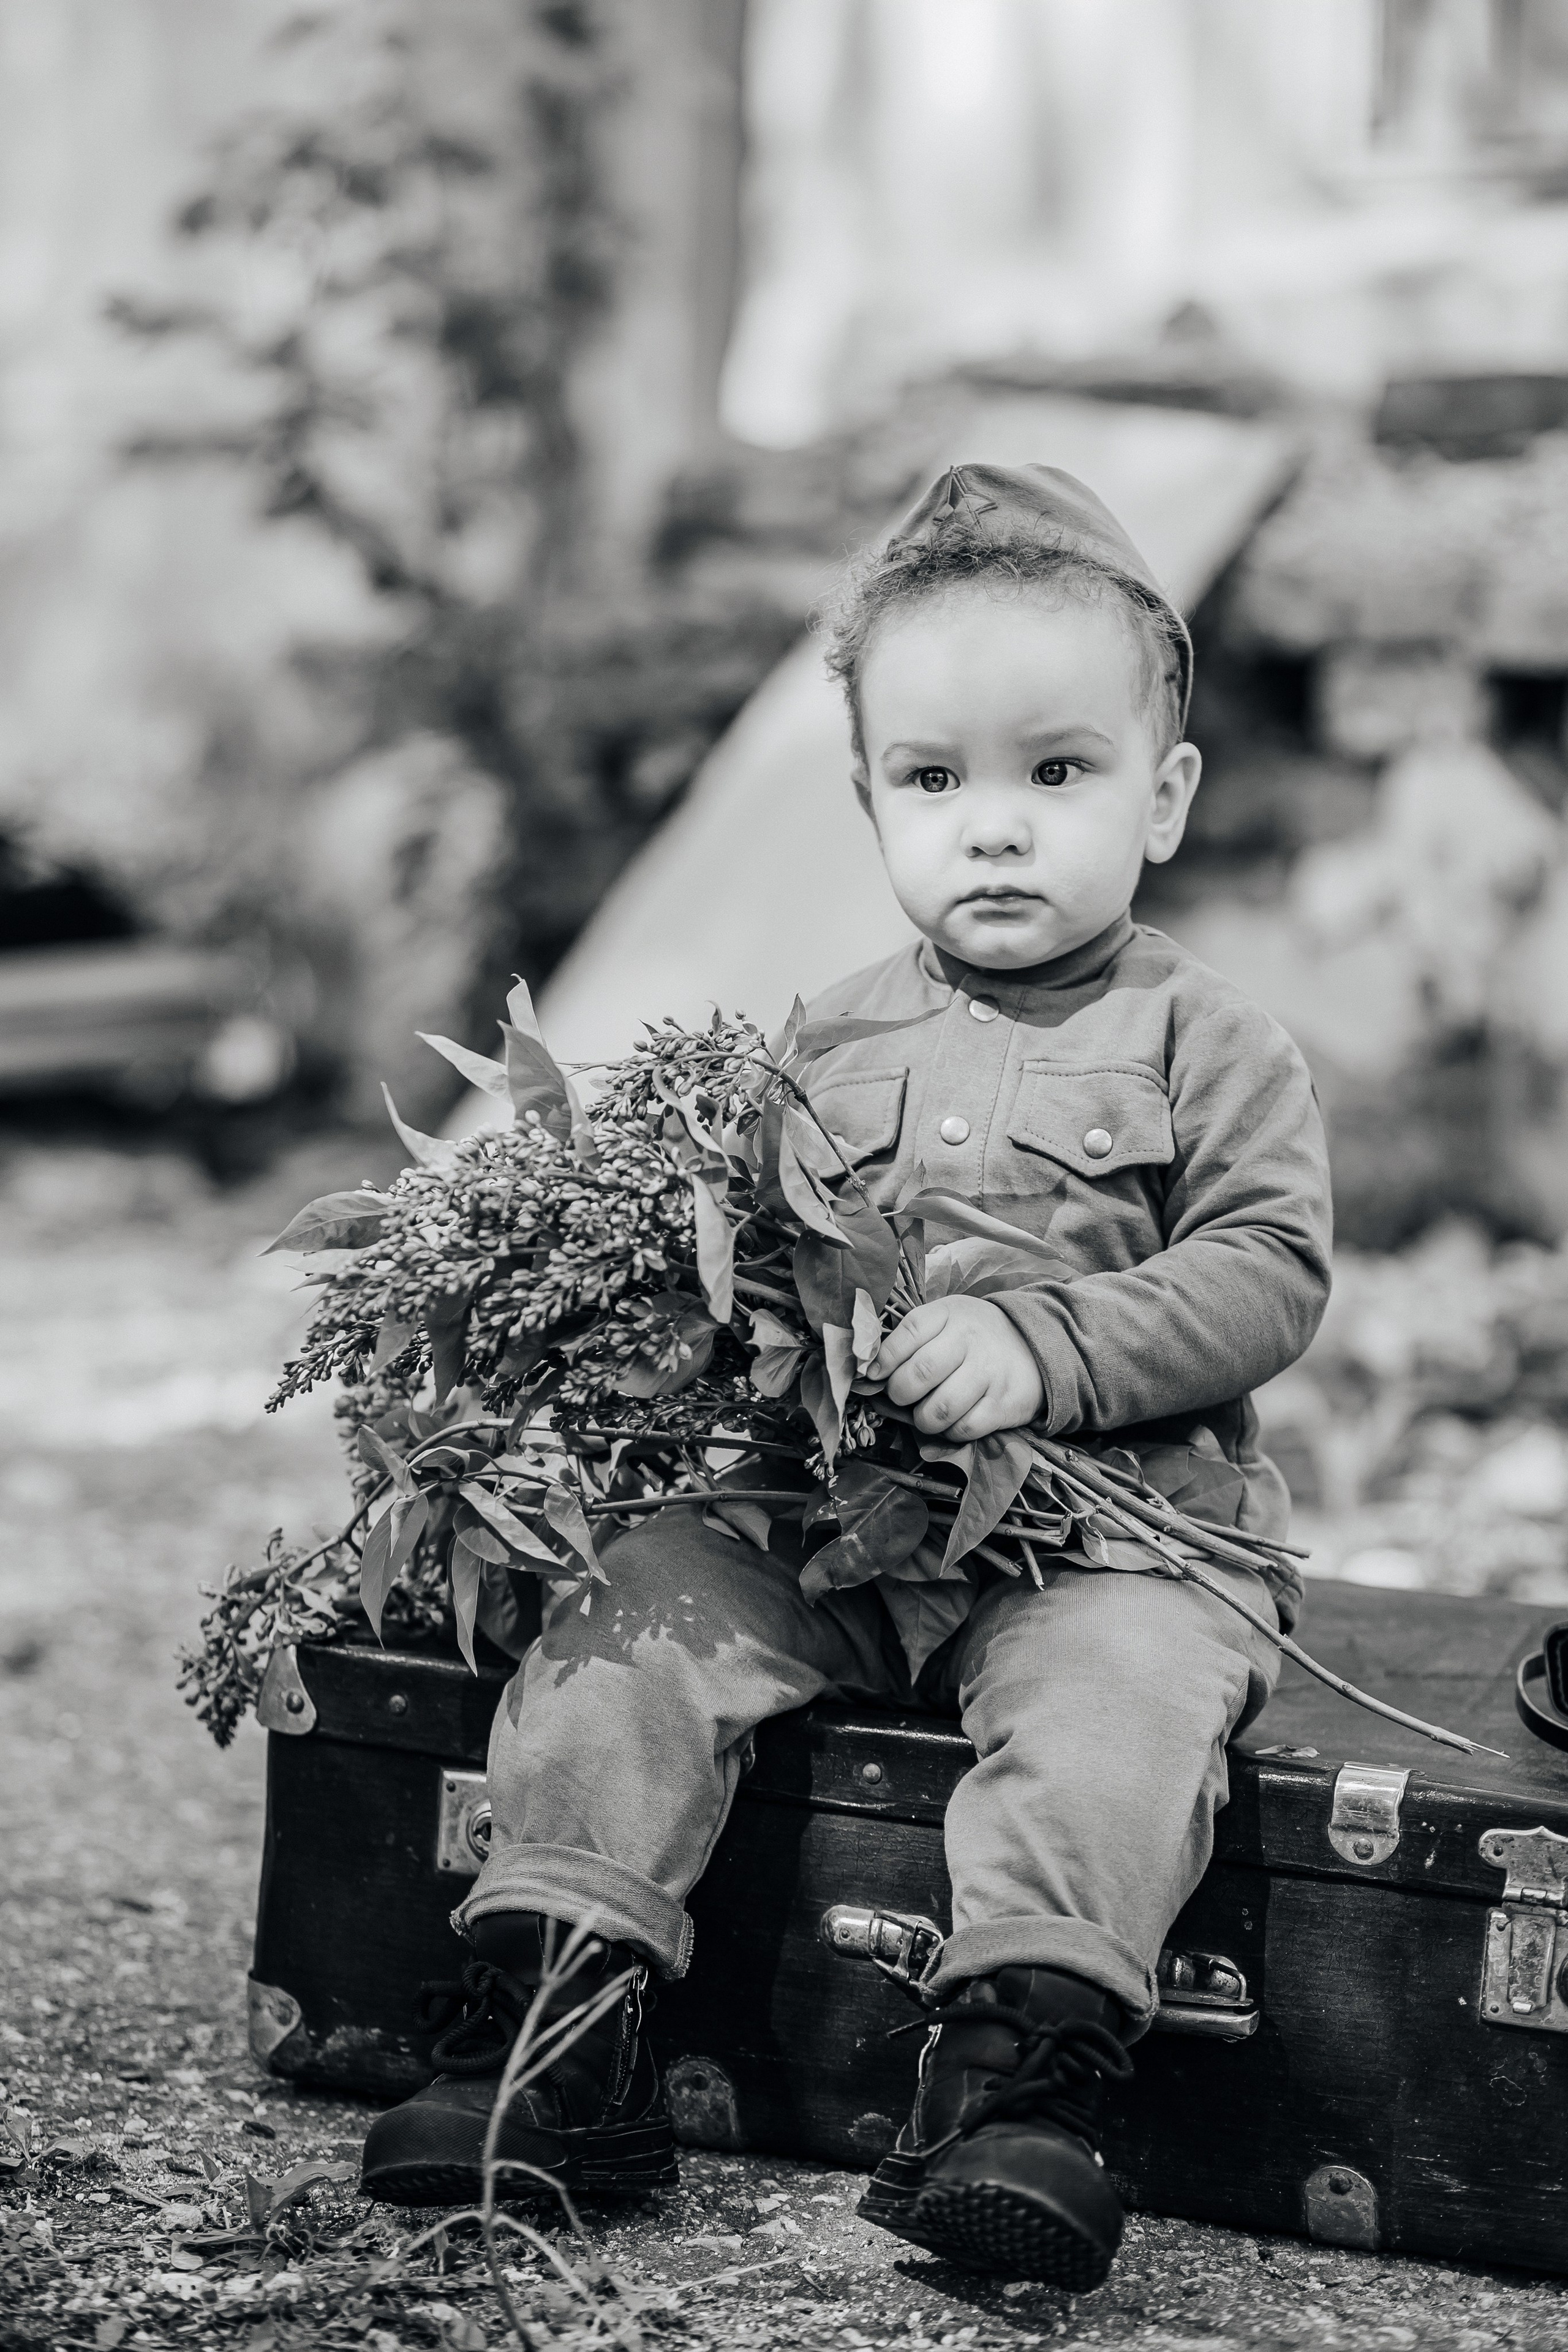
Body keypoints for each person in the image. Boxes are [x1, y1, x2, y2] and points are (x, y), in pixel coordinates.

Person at [360, 463, 1333, 2290]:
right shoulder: (826, 1033)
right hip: (832, 1529)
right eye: (935, 780)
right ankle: (559, 2027)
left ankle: (1017, 2083)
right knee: (627, 1620)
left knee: (1120, 1712)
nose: (996, 829)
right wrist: (665, 1354)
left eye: (1060, 773)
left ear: (1167, 794)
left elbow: (1270, 1272)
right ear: (871, 800)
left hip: (1115, 1543)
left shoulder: (1208, 1040)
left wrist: (1045, 1343)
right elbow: (758, 1270)